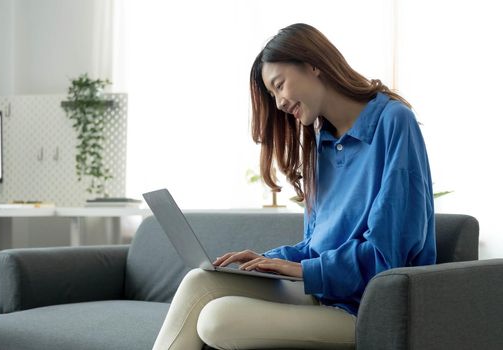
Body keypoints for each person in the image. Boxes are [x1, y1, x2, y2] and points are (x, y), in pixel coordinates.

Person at [152, 23, 436, 350]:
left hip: (365, 309)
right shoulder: (322, 144)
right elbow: (314, 247)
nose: (279, 103)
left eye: (279, 85)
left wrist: (303, 271)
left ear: (313, 64)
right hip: (322, 295)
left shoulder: (393, 123)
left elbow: (389, 259)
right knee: (200, 281)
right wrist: (265, 261)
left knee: (217, 318)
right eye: (272, 95)